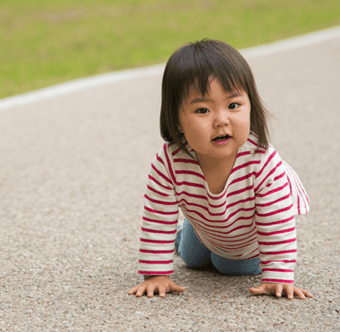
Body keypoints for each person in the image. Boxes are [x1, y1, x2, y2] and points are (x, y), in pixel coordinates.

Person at [128, 39, 313, 300]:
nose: (221, 120)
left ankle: (216, 245)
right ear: (177, 120)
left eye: (233, 105)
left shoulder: (262, 162)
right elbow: (157, 216)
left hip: (250, 237)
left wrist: (278, 277)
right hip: (208, 225)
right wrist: (156, 274)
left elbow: (277, 224)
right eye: (202, 110)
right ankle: (193, 233)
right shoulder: (169, 161)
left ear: (251, 105)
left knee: (228, 266)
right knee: (192, 259)